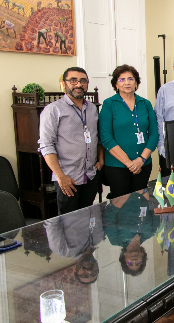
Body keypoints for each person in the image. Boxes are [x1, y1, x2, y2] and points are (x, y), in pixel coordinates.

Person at [38, 67, 103, 215]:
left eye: (83, 81)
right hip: (68, 179)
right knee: (68, 223)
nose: (78, 84)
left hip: (90, 176)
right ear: (64, 84)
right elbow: (46, 146)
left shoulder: (92, 108)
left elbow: (97, 137)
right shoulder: (53, 110)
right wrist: (60, 176)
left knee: (87, 218)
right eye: (73, 80)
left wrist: (101, 159)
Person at [99, 65, 158, 199]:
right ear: (116, 84)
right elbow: (106, 137)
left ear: (136, 83)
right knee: (121, 205)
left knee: (140, 202)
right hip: (117, 166)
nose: (127, 82)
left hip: (143, 164)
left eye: (131, 79)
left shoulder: (145, 104)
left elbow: (154, 134)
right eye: (122, 79)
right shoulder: (109, 104)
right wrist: (129, 163)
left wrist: (141, 160)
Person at [103, 189, 159, 276]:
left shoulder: (115, 239)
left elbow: (109, 215)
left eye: (129, 263)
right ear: (143, 256)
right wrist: (144, 192)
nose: (134, 261)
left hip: (121, 191)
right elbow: (156, 209)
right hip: (142, 188)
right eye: (138, 263)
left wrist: (126, 194)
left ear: (123, 257)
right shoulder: (150, 232)